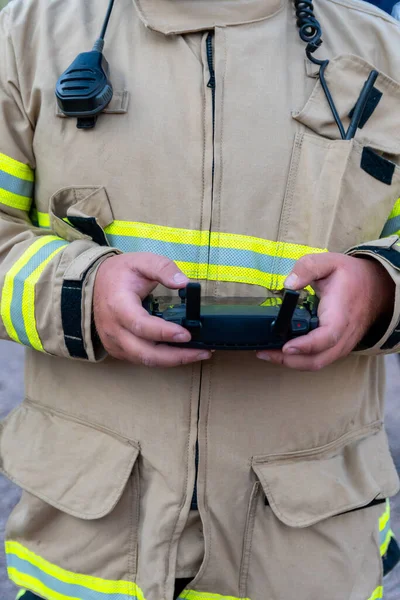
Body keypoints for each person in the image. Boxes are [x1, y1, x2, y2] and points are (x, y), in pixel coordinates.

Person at [1, 0, 400, 599]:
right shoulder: (23, 34)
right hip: (83, 558)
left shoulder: (385, 52)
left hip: (309, 561)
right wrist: (83, 294)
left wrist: (380, 287)